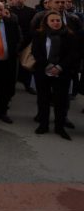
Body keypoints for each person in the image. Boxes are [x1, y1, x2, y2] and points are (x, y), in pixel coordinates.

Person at [31, 11, 78, 140]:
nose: (56, 23)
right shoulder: (39, 34)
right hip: (43, 71)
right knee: (43, 99)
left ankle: (59, 127)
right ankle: (43, 124)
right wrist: (48, 66)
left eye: (58, 20)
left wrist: (59, 67)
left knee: (61, 101)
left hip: (62, 72)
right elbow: (36, 52)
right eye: (52, 20)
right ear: (46, 22)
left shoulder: (69, 35)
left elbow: (72, 54)